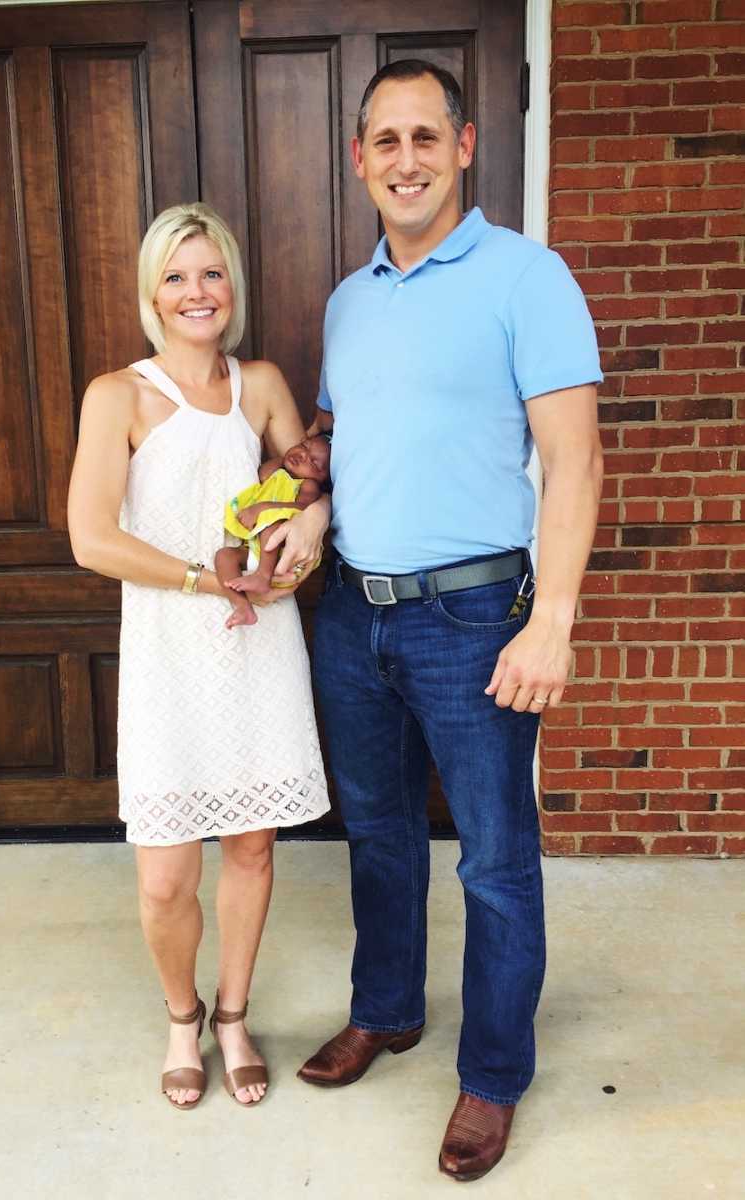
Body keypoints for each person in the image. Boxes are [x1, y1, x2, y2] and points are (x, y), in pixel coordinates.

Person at [296, 60, 604, 1181]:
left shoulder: (529, 276)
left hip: (478, 616)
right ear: (361, 159)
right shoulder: (349, 298)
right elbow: (342, 434)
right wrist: (304, 501)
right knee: (376, 840)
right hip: (354, 615)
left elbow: (574, 460)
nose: (407, 159)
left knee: (492, 861)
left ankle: (492, 1074)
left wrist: (552, 620)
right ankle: (387, 1010)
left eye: (427, 137)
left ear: (465, 148)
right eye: (387, 141)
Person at [67, 202, 330, 1111]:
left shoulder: (259, 384)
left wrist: (309, 536)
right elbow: (91, 539)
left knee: (252, 846)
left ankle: (232, 1014)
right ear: (151, 291)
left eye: (211, 273)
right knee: (168, 871)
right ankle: (181, 1016)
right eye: (177, 275)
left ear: (233, 288)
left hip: (257, 650)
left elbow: (306, 484)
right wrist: (201, 581)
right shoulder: (120, 395)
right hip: (172, 656)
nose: (196, 291)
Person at [216, 433, 331, 627]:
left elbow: (302, 508)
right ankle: (242, 606)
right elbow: (263, 474)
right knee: (224, 556)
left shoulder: (308, 485)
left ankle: (262, 576)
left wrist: (263, 508)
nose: (303, 455)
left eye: (313, 461)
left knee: (273, 525)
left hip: (280, 555)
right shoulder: (280, 473)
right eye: (303, 446)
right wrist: (288, 457)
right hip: (257, 551)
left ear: (321, 476)